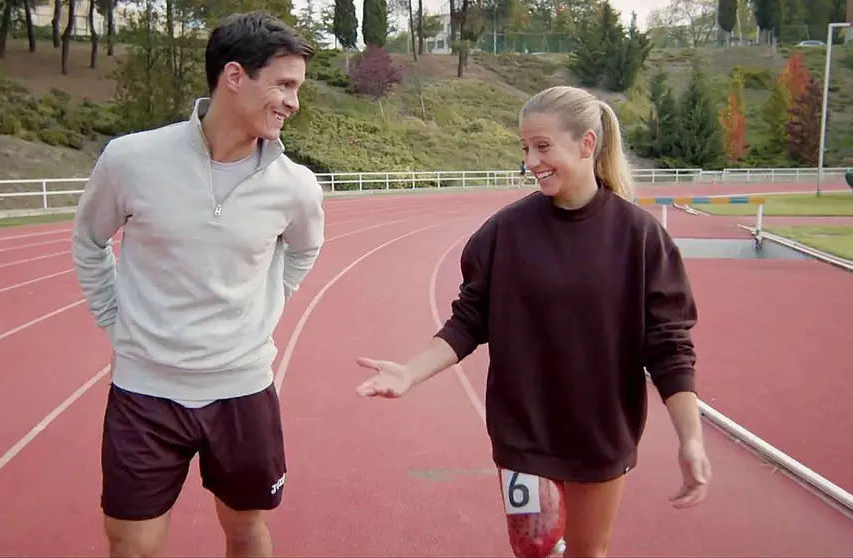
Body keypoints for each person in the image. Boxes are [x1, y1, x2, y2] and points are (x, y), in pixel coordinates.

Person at [354, 85, 711, 558]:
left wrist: (691, 439)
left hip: (601, 431)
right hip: (524, 431)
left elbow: (670, 348)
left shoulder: (639, 237)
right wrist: (409, 372)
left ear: (587, 144)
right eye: (525, 148)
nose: (531, 160)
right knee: (534, 549)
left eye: (543, 146)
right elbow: (468, 322)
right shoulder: (504, 233)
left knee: (587, 553)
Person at [71, 12, 325, 558]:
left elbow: (304, 249)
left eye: (297, 88)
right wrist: (116, 323)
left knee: (245, 531)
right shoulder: (131, 160)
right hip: (145, 392)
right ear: (235, 76)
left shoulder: (296, 187)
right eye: (284, 84)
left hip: (242, 390)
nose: (293, 102)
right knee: (131, 545)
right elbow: (89, 241)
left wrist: (270, 305)